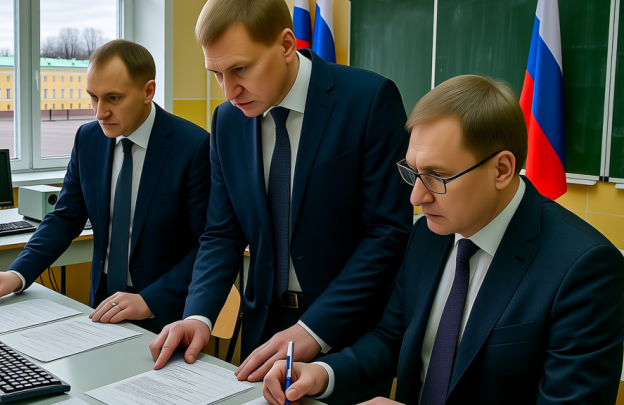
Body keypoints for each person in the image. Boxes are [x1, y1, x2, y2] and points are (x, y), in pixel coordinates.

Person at [261, 74, 624, 405]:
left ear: (502, 169)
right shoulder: (427, 235)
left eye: (437, 176)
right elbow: (391, 339)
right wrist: (324, 374)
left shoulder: (584, 269)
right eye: (412, 172)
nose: (416, 197)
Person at [149, 0, 412, 384]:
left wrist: (313, 329)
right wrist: (198, 315)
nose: (229, 91)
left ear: (287, 44)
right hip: (263, 329)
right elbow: (222, 233)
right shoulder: (226, 121)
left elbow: (388, 233)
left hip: (346, 335)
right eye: (217, 74)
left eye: (240, 68)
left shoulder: (369, 100)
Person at [0, 39, 211, 334]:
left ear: (148, 91)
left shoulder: (193, 146)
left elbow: (207, 244)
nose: (99, 112)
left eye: (113, 98)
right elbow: (65, 218)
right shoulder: (88, 139)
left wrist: (149, 300)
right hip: (101, 302)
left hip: (166, 313)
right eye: (94, 97)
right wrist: (17, 274)